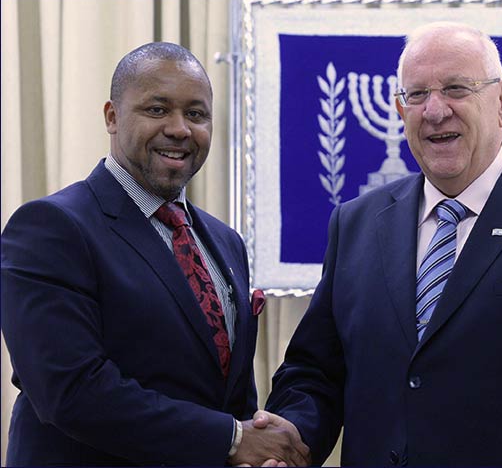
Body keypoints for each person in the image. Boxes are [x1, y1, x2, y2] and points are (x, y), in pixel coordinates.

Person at [259, 22, 502, 465]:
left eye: (456, 88)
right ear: (401, 111)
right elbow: (317, 372)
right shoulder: (356, 222)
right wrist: (288, 440)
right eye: (416, 94)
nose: (435, 111)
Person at [1, 42, 309, 466]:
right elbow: (71, 391)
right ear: (112, 116)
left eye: (196, 114)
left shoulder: (225, 242)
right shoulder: (50, 228)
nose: (180, 129)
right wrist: (233, 440)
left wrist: (256, 446)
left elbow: (229, 395)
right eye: (158, 110)